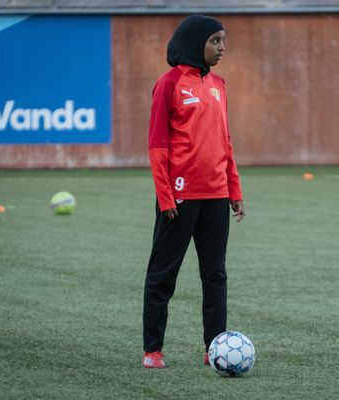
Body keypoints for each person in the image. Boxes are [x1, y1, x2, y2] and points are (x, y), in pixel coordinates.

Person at [142, 14, 245, 369]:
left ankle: (214, 348)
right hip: (179, 200)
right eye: (215, 40)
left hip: (216, 196)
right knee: (162, 275)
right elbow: (157, 146)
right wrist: (166, 195)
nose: (221, 47)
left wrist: (234, 189)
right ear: (194, 42)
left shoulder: (219, 84)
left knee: (215, 275)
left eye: (223, 40)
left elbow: (225, 142)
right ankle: (153, 350)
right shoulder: (168, 84)